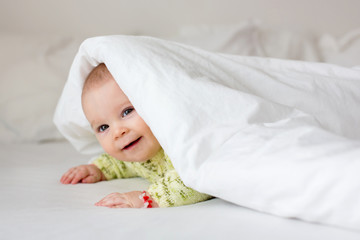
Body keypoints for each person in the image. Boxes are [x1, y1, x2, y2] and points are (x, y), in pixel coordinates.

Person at [60, 63, 212, 208]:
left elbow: (195, 178)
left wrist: (149, 198)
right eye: (104, 127)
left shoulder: (176, 142)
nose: (118, 132)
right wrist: (98, 169)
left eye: (127, 112)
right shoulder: (134, 150)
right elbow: (120, 164)